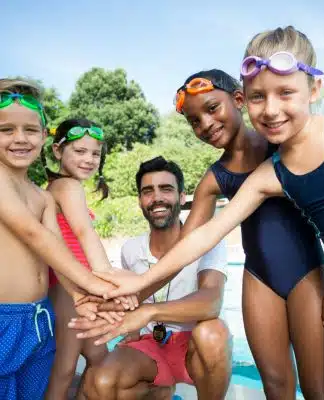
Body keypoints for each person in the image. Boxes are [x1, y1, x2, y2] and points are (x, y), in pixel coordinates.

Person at [87, 26, 324, 398]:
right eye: (259, 97)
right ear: (246, 98)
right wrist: (137, 288)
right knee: (299, 386)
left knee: (319, 387)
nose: (270, 109)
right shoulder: (268, 174)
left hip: (321, 276)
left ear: (313, 89)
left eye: (285, 93)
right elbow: (203, 235)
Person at [173, 69, 324, 398]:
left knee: (318, 388)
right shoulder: (215, 178)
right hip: (259, 281)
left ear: (238, 100)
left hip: (309, 275)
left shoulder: (285, 146)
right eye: (194, 121)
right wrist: (125, 293)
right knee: (275, 387)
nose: (205, 124)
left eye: (212, 108)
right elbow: (184, 248)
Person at [70, 156, 232, 400]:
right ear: (140, 201)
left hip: (194, 348)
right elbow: (130, 304)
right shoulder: (131, 249)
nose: (157, 198)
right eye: (148, 191)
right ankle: (162, 391)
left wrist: (149, 312)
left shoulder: (207, 242)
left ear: (182, 197)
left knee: (212, 333)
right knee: (100, 381)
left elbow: (211, 302)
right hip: (152, 346)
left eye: (166, 189)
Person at [0, 79, 117, 400]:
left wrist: (81, 294)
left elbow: (57, 249)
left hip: (40, 317)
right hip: (4, 318)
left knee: (35, 390)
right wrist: (99, 283)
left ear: (42, 135)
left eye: (30, 130)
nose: (20, 138)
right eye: (6, 130)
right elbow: (33, 234)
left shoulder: (43, 197)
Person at [44, 119, 136, 400]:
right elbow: (84, 234)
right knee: (65, 368)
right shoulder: (67, 187)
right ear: (58, 151)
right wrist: (109, 281)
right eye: (80, 151)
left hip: (77, 285)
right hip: (69, 288)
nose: (89, 159)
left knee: (100, 358)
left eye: (95, 154)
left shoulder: (57, 187)